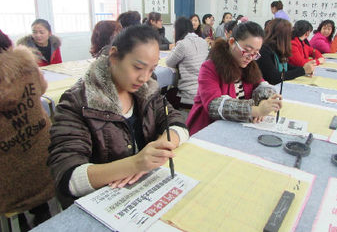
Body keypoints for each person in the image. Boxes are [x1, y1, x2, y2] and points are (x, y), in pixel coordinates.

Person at [47, 25, 188, 207]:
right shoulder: (79, 102)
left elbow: (175, 120)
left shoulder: (148, 90)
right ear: (114, 56)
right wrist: (135, 164)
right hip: (102, 203)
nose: (144, 78)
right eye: (138, 67)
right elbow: (67, 177)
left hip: (142, 191)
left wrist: (163, 145)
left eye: (151, 69)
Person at [186, 21, 282, 135]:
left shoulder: (249, 66)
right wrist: (255, 110)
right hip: (208, 129)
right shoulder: (210, 67)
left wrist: (268, 99)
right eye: (247, 50)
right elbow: (214, 106)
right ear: (232, 42)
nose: (250, 57)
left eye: (255, 53)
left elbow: (262, 85)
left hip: (236, 127)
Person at [0, 30, 54, 227]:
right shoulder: (27, 66)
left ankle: (20, 223)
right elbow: (42, 88)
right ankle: (42, 213)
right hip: (44, 162)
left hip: (7, 182)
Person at [257, 19, 315, 85]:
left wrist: (304, 69)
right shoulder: (264, 50)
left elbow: (285, 66)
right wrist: (302, 70)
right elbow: (275, 78)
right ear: (283, 36)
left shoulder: (277, 47)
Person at [166, 17, 209, 108]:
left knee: (167, 94)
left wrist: (174, 47)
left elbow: (169, 62)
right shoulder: (203, 41)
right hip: (205, 91)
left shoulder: (182, 44)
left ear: (178, 30)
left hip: (190, 95)